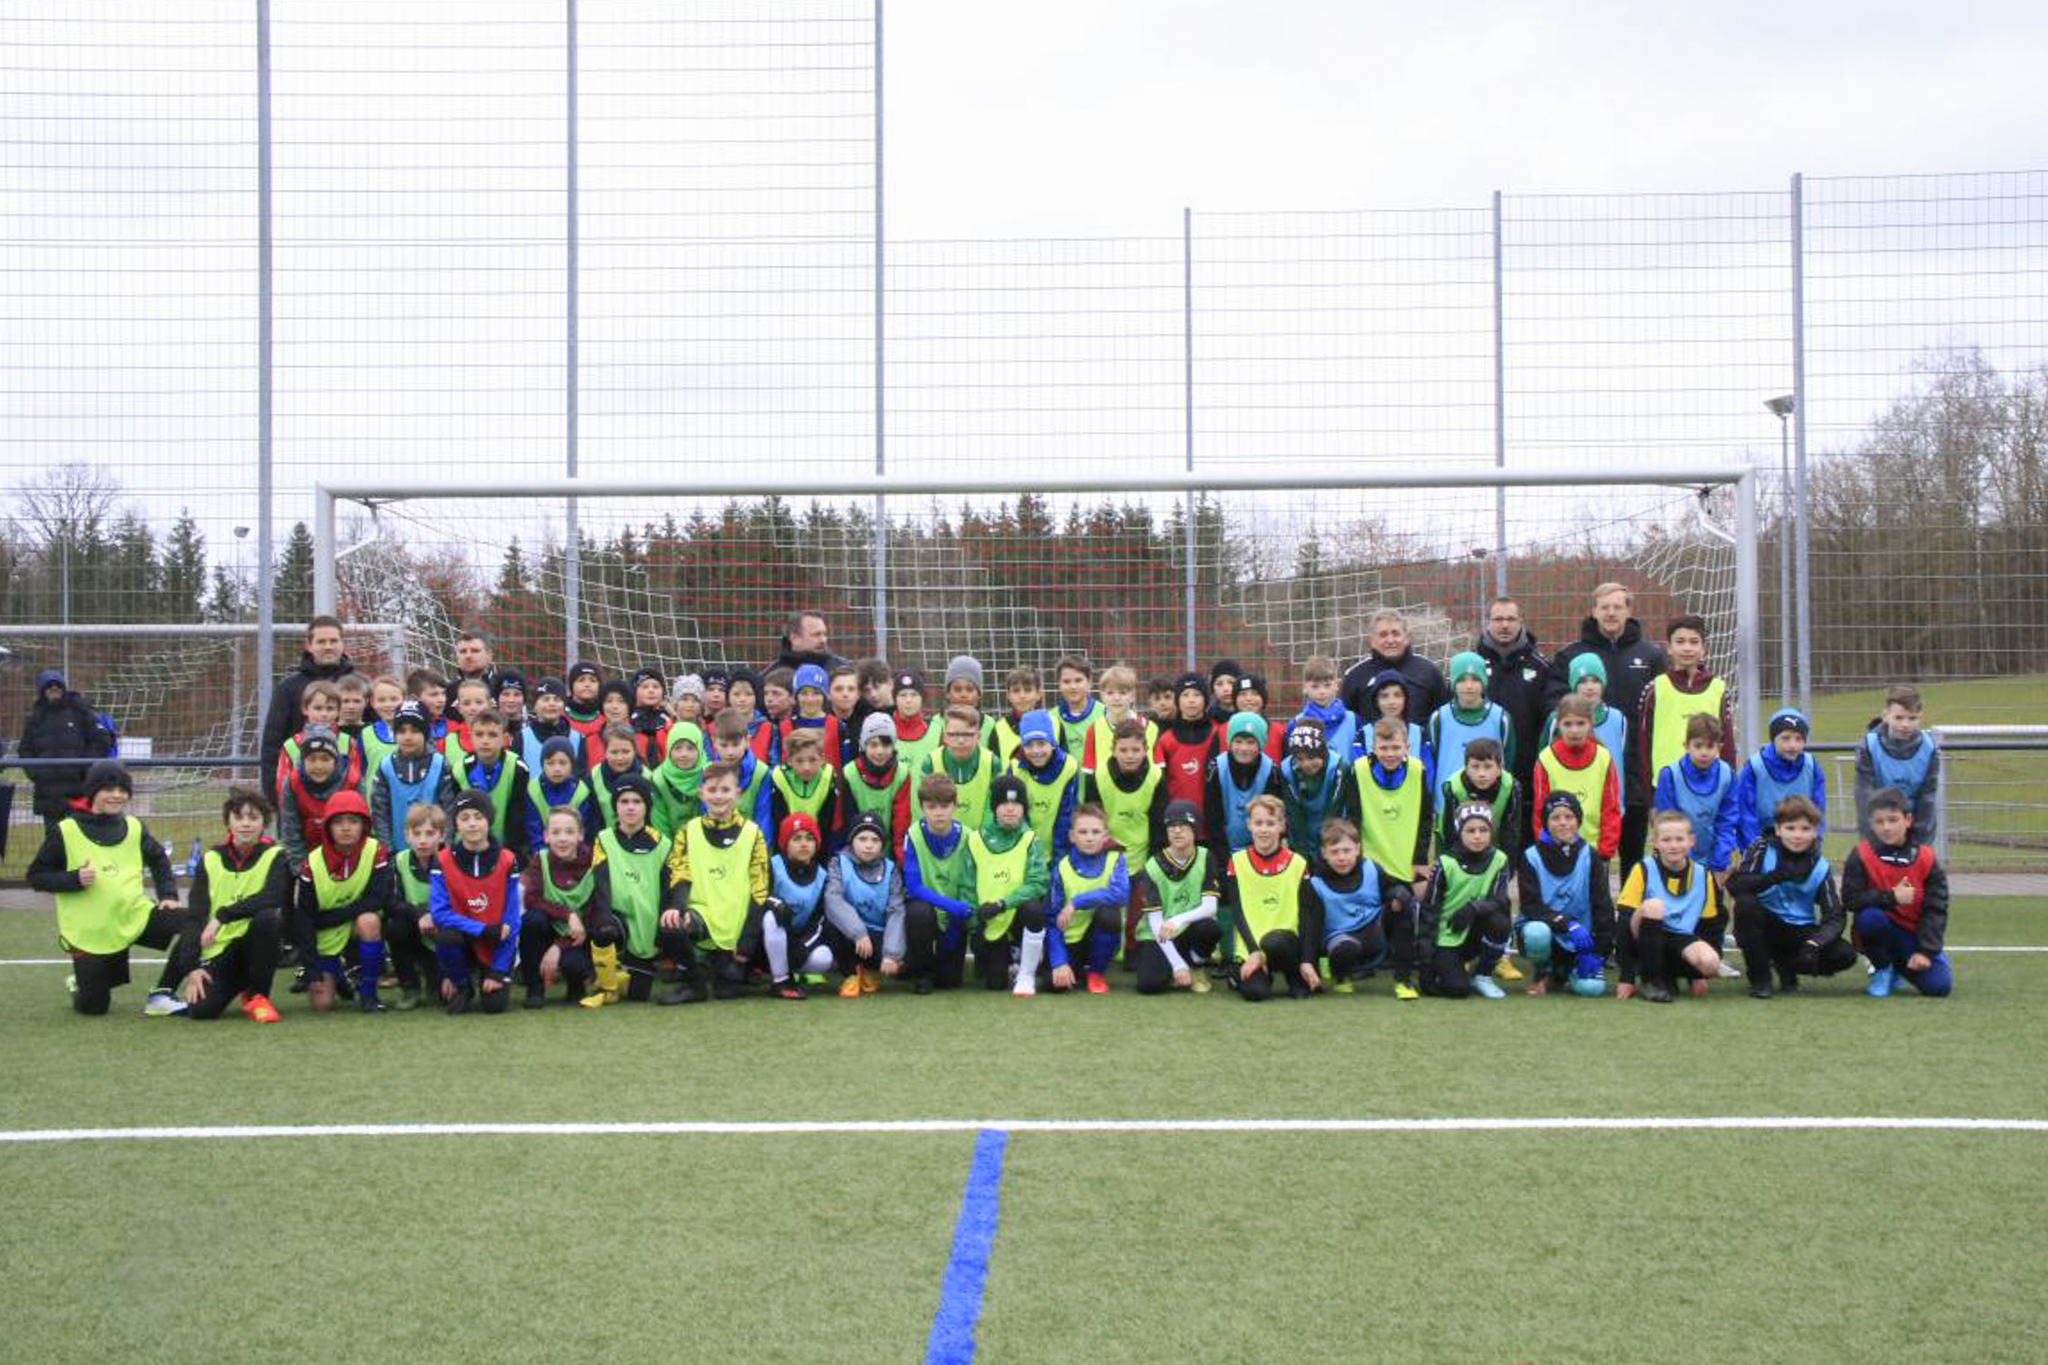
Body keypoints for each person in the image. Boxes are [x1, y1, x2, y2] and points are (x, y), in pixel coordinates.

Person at [27, 760, 186, 1017]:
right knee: (94, 1008)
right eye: (108, 789)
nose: (117, 795)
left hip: (133, 916)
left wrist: (168, 895)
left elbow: (159, 859)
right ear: (93, 792)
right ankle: (80, 983)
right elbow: (36, 876)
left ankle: (162, 994)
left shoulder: (134, 827)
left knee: (195, 923)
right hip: (92, 932)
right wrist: (74, 879)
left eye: (122, 790)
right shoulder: (66, 831)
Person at [1546, 584, 1666, 870]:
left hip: (1633, 775)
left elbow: (1661, 711)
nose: (1611, 613)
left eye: (1617, 607)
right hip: (1583, 777)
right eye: (1604, 607)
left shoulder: (1652, 655)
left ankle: (1629, 899)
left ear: (1629, 611)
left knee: (1633, 858)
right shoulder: (1570, 656)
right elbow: (1553, 705)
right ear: (1594, 611)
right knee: (1585, 857)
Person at [172, 788, 292, 1023]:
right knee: (201, 1011)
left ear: (264, 823)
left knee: (269, 918)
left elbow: (272, 896)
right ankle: (243, 983)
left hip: (254, 943)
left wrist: (222, 916)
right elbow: (195, 915)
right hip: (220, 950)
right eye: (239, 817)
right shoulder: (210, 859)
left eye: (253, 818)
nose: (246, 824)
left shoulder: (277, 856)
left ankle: (258, 996)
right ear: (228, 822)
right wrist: (192, 967)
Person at [1334, 717, 1433, 999]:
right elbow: (1353, 817)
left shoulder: (1417, 770)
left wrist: (1419, 859)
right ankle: (1346, 971)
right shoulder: (1358, 770)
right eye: (1384, 747)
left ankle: (1403, 979)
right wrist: (1356, 859)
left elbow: (1426, 818)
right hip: (1369, 864)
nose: (1390, 753)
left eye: (1396, 747)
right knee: (1357, 916)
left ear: (1407, 747)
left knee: (1403, 912)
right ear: (1373, 747)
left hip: (1402, 863)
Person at [1725, 795, 1856, 999]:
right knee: (1745, 905)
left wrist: (1814, 944)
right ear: (1778, 829)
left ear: (1815, 832)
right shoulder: (1762, 847)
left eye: (1805, 829)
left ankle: (1786, 966)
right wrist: (1773, 877)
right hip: (1766, 925)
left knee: (1845, 955)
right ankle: (1760, 979)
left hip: (1799, 930)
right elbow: (1735, 885)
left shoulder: (1820, 866)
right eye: (1790, 828)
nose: (1797, 835)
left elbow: (1835, 915)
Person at [664, 761, 771, 1004]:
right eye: (712, 790)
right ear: (701, 793)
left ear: (737, 793)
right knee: (671, 926)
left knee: (727, 991)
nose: (718, 796)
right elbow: (680, 874)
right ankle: (694, 985)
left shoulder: (753, 833)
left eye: (725, 790)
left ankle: (722, 966)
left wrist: (746, 943)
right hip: (701, 914)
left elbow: (760, 890)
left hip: (736, 922)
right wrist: (677, 908)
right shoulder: (687, 831)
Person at [1843, 786, 1952, 999]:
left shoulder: (1926, 858)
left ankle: (1900, 966)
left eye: (1893, 820)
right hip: (1879, 930)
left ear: (1907, 820)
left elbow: (1936, 908)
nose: (1886, 827)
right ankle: (1882, 968)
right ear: (1871, 824)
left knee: (1939, 987)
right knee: (1869, 917)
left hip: (1913, 935)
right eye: (1879, 821)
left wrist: (1926, 951)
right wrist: (1891, 897)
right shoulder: (1861, 854)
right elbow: (1850, 899)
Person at [291, 788, 392, 1014]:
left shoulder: (375, 850)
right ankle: (337, 974)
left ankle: (369, 994)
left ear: (364, 825)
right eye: (338, 822)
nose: (346, 828)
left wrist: (335, 916)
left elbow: (378, 899)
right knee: (322, 1005)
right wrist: (310, 965)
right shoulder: (312, 862)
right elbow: (305, 917)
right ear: (328, 827)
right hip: (325, 934)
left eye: (353, 821)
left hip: (348, 922)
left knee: (369, 921)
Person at [584, 772, 677, 1006]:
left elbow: (667, 889)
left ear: (647, 806)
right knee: (604, 931)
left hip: (647, 928)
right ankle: (607, 985)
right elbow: (600, 883)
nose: (630, 807)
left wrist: (661, 929)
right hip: (617, 920)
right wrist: (604, 916)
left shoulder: (663, 843)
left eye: (637, 801)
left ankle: (619, 972)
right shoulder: (604, 839)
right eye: (624, 801)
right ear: (615, 806)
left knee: (638, 996)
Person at [1615, 808, 1725, 1004]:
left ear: (1691, 841)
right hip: (1645, 938)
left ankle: (1667, 974)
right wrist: (1626, 977)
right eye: (1666, 840)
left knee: (1710, 962)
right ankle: (1651, 981)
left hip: (1680, 940)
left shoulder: (1703, 875)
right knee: (1654, 906)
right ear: (1655, 843)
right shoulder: (1642, 869)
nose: (1673, 846)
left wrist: (1697, 975)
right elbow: (1624, 923)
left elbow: (1708, 927)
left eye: (1679, 839)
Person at [428, 789, 522, 1015]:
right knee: (446, 936)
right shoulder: (442, 860)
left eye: (478, 817)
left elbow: (512, 921)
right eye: (464, 818)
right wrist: (482, 929)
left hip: (495, 943)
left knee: (494, 1006)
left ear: (489, 820)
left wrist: (498, 971)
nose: (472, 824)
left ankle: (490, 972)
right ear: (456, 824)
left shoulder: (507, 860)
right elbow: (439, 914)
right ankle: (462, 985)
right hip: (463, 940)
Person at [1222, 794, 1322, 1001]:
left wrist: (1307, 960)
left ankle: (1294, 976)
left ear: (1282, 826)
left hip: (1286, 944)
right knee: (1254, 993)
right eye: (1258, 823)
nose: (1264, 829)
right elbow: (1237, 912)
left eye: (1270, 823)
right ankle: (1248, 973)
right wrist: (1253, 951)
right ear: (1249, 825)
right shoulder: (1237, 861)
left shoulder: (1298, 863)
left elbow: (1307, 916)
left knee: (1275, 942)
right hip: (1253, 948)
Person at [1516, 792, 1613, 997]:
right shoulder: (1530, 856)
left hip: (1581, 938)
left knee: (1592, 989)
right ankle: (1543, 971)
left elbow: (1603, 905)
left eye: (1569, 817)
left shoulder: (1590, 855)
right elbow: (1530, 906)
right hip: (1548, 931)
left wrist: (1599, 953)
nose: (1563, 823)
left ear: (1578, 821)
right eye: (1555, 817)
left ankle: (1564, 972)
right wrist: (1568, 924)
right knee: (1536, 933)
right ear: (1546, 822)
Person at [1415, 802, 1514, 1000]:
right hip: (1447, 936)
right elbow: (1429, 912)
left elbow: (1501, 900)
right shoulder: (1445, 863)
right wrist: (1425, 961)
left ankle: (1483, 975)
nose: (1477, 836)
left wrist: (1473, 908)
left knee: (1500, 922)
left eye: (1483, 830)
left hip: (1475, 931)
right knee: (1458, 990)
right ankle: (1450, 967)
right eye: (1470, 830)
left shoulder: (1499, 859)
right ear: (1459, 832)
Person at [1635, 613, 1737, 800]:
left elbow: (1728, 744)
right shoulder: (1654, 689)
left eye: (1694, 642)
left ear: (1703, 649)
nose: (1687, 648)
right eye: (1680, 642)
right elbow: (1643, 745)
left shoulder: (1719, 689)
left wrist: (1729, 791)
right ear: (1669, 648)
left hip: (1710, 788)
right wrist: (1650, 797)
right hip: (1667, 790)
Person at [970, 773, 1051, 995]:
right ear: (994, 807)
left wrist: (1002, 904)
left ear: (1024, 808)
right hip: (989, 919)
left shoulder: (1030, 839)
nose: (1010, 809)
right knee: (995, 984)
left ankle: (1026, 974)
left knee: (1033, 908)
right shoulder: (975, 839)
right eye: (1003, 803)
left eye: (1016, 804)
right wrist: (975, 920)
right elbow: (967, 885)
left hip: (1015, 915)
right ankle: (1006, 958)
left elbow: (1037, 884)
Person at [1309, 817, 1407, 998]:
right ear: (1324, 853)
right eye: (1334, 852)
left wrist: (1399, 895)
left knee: (1405, 906)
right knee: (1346, 949)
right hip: (1340, 937)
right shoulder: (1315, 882)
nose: (1341, 857)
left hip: (1375, 929)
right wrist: (1311, 963)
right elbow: (1311, 928)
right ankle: (1341, 976)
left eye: (1347, 850)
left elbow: (1391, 888)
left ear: (1357, 849)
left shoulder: (1371, 868)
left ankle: (1404, 979)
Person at [1130, 799, 1221, 995]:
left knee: (1210, 929)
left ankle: (1196, 965)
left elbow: (1210, 907)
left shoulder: (1206, 857)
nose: (1177, 831)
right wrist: (1177, 965)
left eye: (1183, 825)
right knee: (1149, 985)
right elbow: (1155, 922)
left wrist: (1178, 920)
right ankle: (1180, 965)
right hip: (1160, 933)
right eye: (1171, 826)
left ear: (1195, 829)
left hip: (1188, 928)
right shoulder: (1152, 866)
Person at [259, 616, 354, 803]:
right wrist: (275, 798)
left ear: (343, 644)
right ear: (309, 645)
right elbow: (272, 745)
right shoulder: (289, 687)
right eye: (321, 641)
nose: (328, 646)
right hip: (298, 799)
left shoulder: (358, 684)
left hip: (347, 798)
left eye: (334, 641)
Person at [898, 775, 977, 993]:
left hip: (957, 913)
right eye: (931, 807)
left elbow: (969, 886)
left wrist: (956, 919)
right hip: (928, 908)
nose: (939, 813)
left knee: (949, 982)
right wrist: (951, 906)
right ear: (922, 807)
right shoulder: (913, 835)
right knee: (918, 913)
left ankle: (936, 963)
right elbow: (913, 887)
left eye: (944, 806)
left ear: (955, 806)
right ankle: (921, 971)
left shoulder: (969, 837)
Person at [518, 806, 600, 1009]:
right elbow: (531, 899)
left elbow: (595, 912)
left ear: (581, 835)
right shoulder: (540, 860)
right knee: (532, 920)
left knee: (575, 965)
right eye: (555, 832)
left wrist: (558, 947)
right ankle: (534, 988)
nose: (562, 839)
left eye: (570, 832)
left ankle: (576, 985)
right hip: (547, 931)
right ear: (546, 836)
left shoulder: (594, 862)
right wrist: (568, 914)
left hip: (579, 937)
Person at [1043, 804, 1131, 994]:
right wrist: (1059, 962)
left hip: (1097, 936)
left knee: (1109, 914)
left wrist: (1076, 902)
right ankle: (1074, 968)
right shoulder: (1062, 868)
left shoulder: (1116, 859)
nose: (1090, 837)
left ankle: (1096, 974)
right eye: (1083, 832)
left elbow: (1120, 894)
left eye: (1096, 832)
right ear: (1072, 836)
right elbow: (1051, 921)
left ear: (1105, 835)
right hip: (1071, 941)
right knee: (1053, 985)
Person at [14, 667, 114, 832]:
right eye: (49, 686)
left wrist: (85, 768)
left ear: (63, 688)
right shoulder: (35, 718)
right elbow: (24, 750)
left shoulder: (80, 711)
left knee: (82, 837)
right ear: (42, 691)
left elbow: (101, 740)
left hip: (79, 792)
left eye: (57, 685)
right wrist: (37, 773)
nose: (54, 689)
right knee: (54, 839)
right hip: (49, 794)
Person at [1529, 696, 1620, 862]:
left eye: (1580, 723)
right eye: (1568, 724)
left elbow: (1611, 808)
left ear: (1590, 724)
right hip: (1555, 850)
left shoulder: (1603, 757)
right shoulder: (1546, 759)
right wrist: (1546, 846)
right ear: (1558, 725)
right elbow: (1540, 810)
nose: (1574, 730)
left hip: (1593, 852)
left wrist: (1605, 851)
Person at [1476, 598, 1551, 795]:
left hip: (1528, 773)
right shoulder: (1473, 665)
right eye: (1498, 619)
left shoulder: (1541, 667)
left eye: (1510, 619)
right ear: (1488, 623)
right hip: (1481, 772)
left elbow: (1548, 719)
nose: (1505, 625)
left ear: (1520, 622)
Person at [1651, 714, 1738, 879]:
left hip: (1714, 861)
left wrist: (1719, 859)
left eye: (1710, 746)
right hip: (1676, 860)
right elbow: (1666, 822)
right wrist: (1683, 860)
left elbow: (1727, 821)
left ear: (1719, 747)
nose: (1704, 752)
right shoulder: (1670, 775)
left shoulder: (1727, 775)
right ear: (1686, 746)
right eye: (1698, 746)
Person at [824, 811, 902, 997]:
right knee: (831, 924)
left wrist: (891, 953)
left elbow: (897, 911)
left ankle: (869, 970)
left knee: (903, 960)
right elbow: (833, 900)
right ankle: (850, 974)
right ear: (852, 841)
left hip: (878, 936)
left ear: (882, 844)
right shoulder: (838, 863)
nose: (868, 845)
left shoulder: (890, 869)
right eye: (862, 839)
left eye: (875, 840)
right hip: (852, 935)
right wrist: (858, 932)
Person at [1340, 609, 1448, 735]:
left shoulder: (1429, 671)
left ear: (1407, 637)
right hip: (1371, 746)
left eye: (1396, 634)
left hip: (1419, 746)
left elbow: (1442, 718)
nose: (1390, 640)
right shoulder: (1355, 676)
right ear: (1372, 640)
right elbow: (1346, 723)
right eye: (1383, 635)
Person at [761, 812, 834, 999]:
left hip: (797, 942)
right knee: (771, 917)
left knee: (824, 958)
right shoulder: (772, 865)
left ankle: (787, 971)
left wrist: (803, 947)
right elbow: (759, 898)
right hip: (764, 944)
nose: (804, 844)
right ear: (785, 843)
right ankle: (780, 980)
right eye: (796, 838)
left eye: (809, 838)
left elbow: (819, 921)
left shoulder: (822, 876)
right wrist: (776, 904)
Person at [1854, 685, 1941, 841]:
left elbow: (1927, 797)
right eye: (1899, 718)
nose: (1905, 724)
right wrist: (1870, 839)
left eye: (1912, 718)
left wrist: (1921, 843)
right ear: (1886, 716)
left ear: (1920, 717)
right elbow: (1864, 796)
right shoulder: (1869, 746)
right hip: (1880, 827)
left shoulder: (1929, 749)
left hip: (1914, 827)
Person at [1731, 708, 1826, 850]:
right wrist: (1753, 850)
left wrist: (1815, 843)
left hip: (1800, 840)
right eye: (1785, 738)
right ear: (1773, 739)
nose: (1792, 745)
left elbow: (1818, 808)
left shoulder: (1811, 766)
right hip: (1763, 841)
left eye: (1799, 739)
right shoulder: (1755, 767)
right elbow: (1746, 814)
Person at [447, 708, 532, 860]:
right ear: (471, 737)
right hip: (467, 850)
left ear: (504, 738)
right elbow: (455, 817)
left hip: (507, 852)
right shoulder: (459, 770)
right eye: (479, 734)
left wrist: (513, 857)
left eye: (492, 735)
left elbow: (518, 818)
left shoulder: (517, 768)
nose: (485, 741)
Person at [385, 800, 445, 1011]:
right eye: (417, 833)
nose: (423, 840)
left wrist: (434, 916)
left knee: (441, 996)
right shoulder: (398, 861)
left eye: (430, 833)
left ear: (442, 836)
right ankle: (409, 986)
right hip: (412, 928)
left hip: (442, 930)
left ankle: (444, 979)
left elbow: (459, 902)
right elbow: (391, 903)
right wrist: (419, 914)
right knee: (394, 926)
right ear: (406, 835)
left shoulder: (451, 862)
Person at [1426, 652, 1513, 789]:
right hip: (1446, 798)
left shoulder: (1501, 718)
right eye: (1461, 680)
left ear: (1484, 682)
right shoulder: (1438, 718)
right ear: (1453, 683)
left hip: (1489, 800)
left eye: (1475, 679)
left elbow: (1507, 764)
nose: (1469, 686)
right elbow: (1432, 762)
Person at [1007, 709, 1080, 866]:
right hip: (1025, 853)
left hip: (1059, 851)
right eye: (1029, 745)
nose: (1036, 751)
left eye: (1041, 743)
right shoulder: (1015, 768)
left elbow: (1066, 817)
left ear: (1052, 743)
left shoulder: (1068, 767)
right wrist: (1029, 853)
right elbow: (1015, 816)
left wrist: (1059, 861)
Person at [920, 705, 997, 837]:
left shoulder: (992, 762)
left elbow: (992, 805)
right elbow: (926, 805)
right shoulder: (931, 762)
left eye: (968, 735)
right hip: (943, 836)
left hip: (981, 837)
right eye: (954, 734)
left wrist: (983, 836)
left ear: (978, 736)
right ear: (945, 736)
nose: (961, 740)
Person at [1153, 672, 1220, 823]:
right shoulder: (1165, 740)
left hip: (1211, 818)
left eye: (1197, 694)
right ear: (1177, 700)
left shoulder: (1218, 734)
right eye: (1185, 695)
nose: (1191, 700)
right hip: (1177, 822)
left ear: (1205, 699)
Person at [843, 712, 913, 854]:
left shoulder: (902, 773)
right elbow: (848, 820)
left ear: (893, 745)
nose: (880, 751)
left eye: (886, 744)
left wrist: (899, 858)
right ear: (864, 745)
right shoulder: (850, 773)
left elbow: (901, 822)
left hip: (889, 850)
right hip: (857, 849)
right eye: (873, 745)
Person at [1279, 719, 1346, 859]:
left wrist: (1325, 852)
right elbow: (1294, 815)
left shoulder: (1338, 768)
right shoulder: (1286, 770)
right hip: (1302, 835)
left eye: (1312, 757)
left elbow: (1334, 811)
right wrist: (1302, 854)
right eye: (1300, 759)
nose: (1306, 764)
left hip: (1333, 836)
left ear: (1323, 753)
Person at [1290, 655, 1358, 773]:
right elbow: (1292, 761)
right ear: (1305, 687)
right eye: (1315, 686)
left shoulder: (1353, 719)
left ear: (1336, 685)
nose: (1322, 692)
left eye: (1327, 685)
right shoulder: (1296, 723)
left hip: (1347, 781)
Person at [990, 666, 1045, 765]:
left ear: (1039, 694)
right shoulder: (999, 728)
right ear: (1008, 695)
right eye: (1016, 691)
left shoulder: (1054, 725)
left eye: (1028, 690)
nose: (1022, 696)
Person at [1052, 655, 1102, 762]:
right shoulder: (1051, 718)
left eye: (1078, 680)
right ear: (1059, 685)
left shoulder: (1104, 713)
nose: (1073, 687)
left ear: (1089, 683)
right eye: (1066, 681)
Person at [890, 669, 941, 774]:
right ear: (895, 699)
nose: (908, 700)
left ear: (922, 698)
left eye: (914, 694)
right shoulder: (885, 730)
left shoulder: (936, 730)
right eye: (903, 695)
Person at [768, 608, 845, 675]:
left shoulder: (842, 670)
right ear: (795, 638)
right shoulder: (771, 676)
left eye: (824, 634)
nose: (823, 640)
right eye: (816, 635)